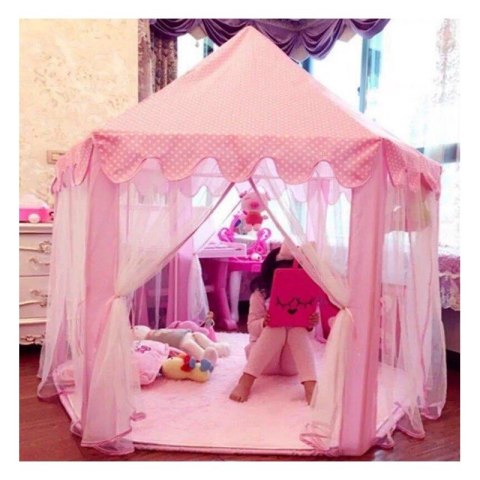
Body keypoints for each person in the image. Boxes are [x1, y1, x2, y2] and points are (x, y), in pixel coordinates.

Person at [229, 243, 319, 404]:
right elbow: (252, 327)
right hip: (263, 361)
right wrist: (265, 323)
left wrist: (310, 325)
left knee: (298, 330)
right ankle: (246, 380)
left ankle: (310, 384)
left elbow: (307, 338)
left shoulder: (305, 296)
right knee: (275, 328)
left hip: (291, 365)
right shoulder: (260, 294)